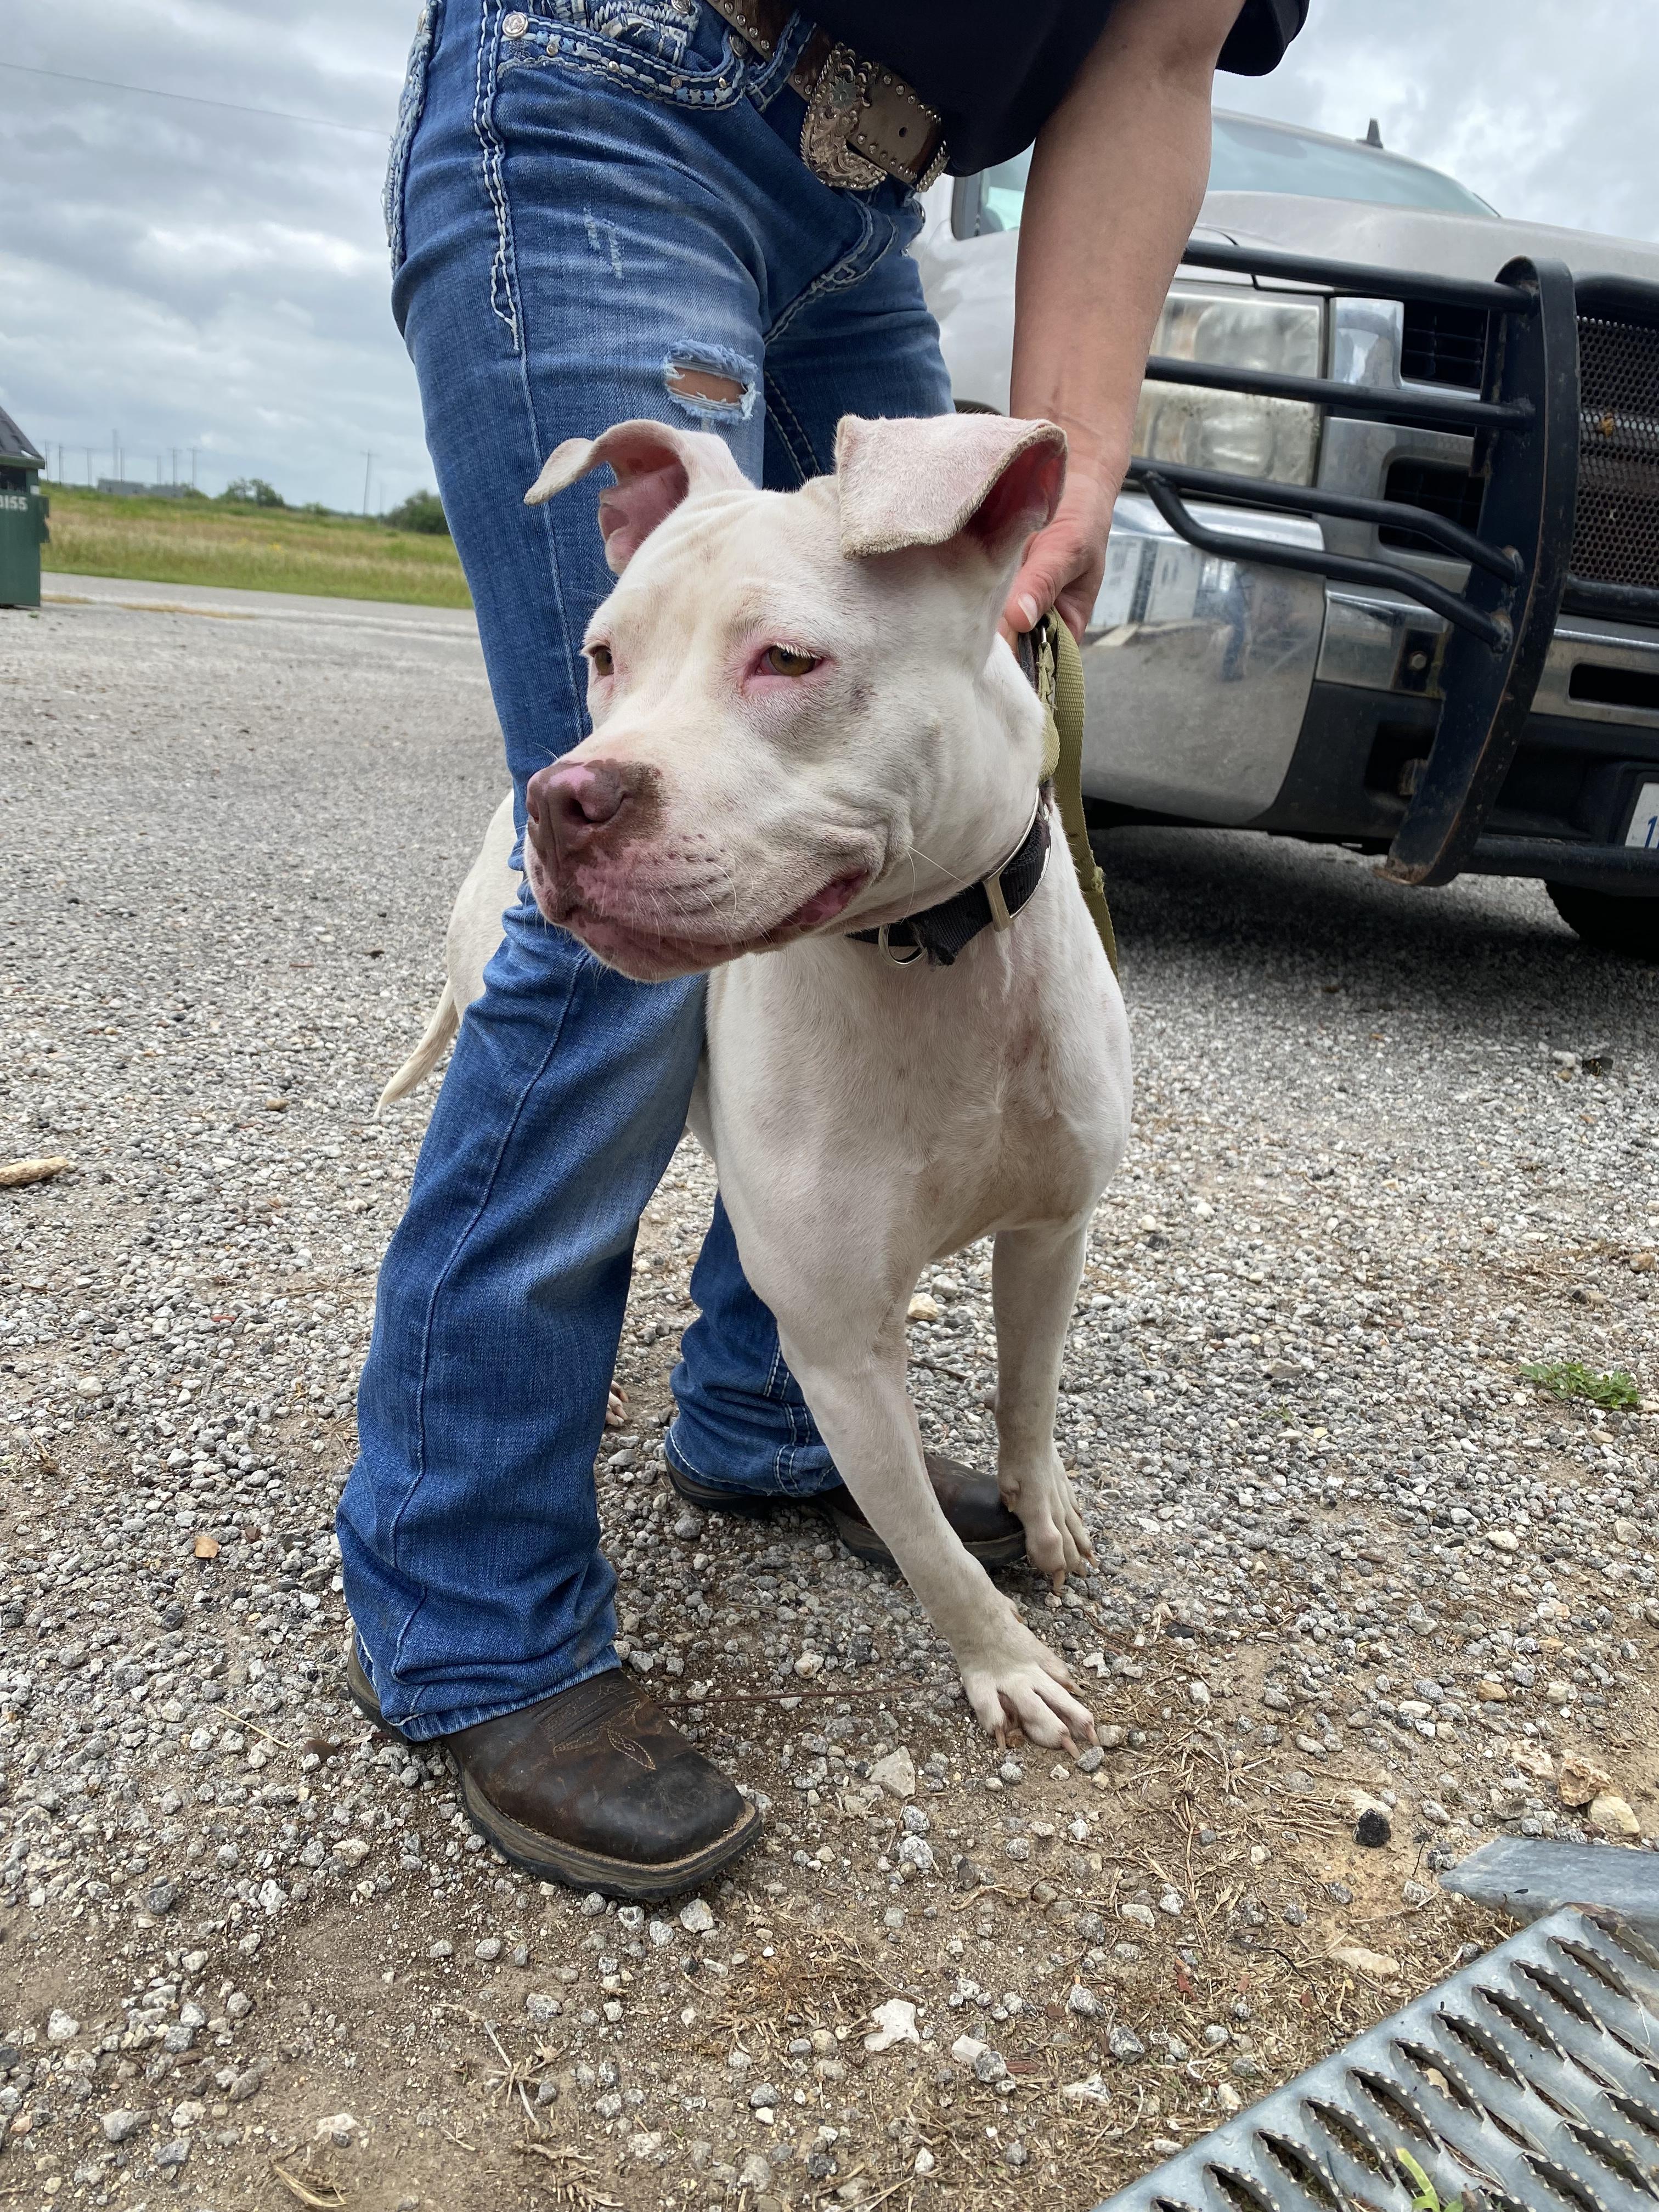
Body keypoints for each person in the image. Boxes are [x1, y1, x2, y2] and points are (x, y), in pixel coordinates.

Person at [338, 0, 1307, 1899]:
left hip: (880, 191)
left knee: (848, 802)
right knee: (632, 924)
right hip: (607, 72)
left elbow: (1160, 54)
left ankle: (761, 1418)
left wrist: (1072, 463)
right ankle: (474, 1615)